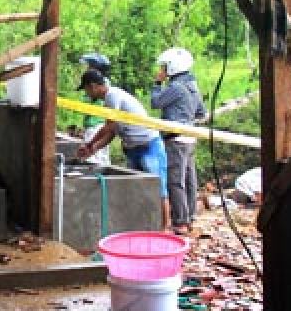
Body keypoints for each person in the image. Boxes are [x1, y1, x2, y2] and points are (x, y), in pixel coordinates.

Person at [76, 69, 170, 232]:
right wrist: (93, 148)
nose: (87, 93)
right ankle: (143, 226)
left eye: (86, 89)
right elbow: (112, 133)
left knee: (158, 189)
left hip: (149, 146)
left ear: (93, 87)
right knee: (136, 189)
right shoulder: (109, 100)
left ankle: (164, 229)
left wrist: (90, 143)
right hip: (133, 149)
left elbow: (109, 126)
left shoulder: (113, 96)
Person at [152, 47, 208, 234]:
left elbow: (155, 102)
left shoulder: (176, 87)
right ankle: (190, 217)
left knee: (175, 181)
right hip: (190, 138)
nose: (163, 70)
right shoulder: (193, 86)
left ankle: (180, 221)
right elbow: (201, 112)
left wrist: (157, 83)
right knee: (189, 179)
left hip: (175, 140)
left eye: (165, 67)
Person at [77, 53, 113, 165]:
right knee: (96, 157)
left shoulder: (101, 85)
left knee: (95, 160)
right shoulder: (98, 83)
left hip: (97, 124)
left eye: (90, 66)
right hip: (92, 125)